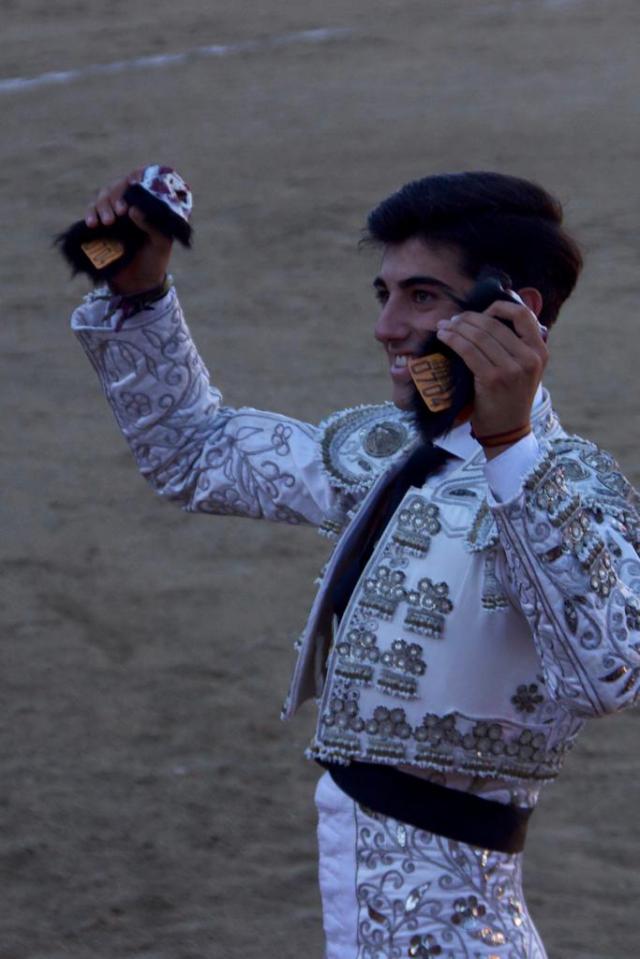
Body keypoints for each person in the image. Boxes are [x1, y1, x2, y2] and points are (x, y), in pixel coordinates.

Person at [70, 169, 640, 959]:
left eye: (422, 296)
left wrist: (511, 445)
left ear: (515, 312)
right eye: (384, 294)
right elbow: (194, 454)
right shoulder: (389, 453)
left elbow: (610, 673)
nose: (387, 326)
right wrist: (139, 295)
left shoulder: (572, 484)